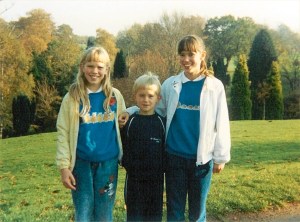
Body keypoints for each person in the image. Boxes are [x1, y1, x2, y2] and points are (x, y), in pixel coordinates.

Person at [119, 35, 231, 222]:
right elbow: (155, 107)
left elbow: (222, 122)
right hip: (174, 159)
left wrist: (221, 157)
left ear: (202, 55)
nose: (186, 59)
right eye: (182, 55)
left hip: (201, 161)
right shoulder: (171, 84)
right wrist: (130, 111)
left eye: (191, 54)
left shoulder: (214, 86)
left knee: (197, 212)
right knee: (174, 211)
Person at [56, 46, 126, 222]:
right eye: (90, 66)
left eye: (100, 67)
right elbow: (63, 132)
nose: (95, 71)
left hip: (108, 164)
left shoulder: (114, 96)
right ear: (82, 67)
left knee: (104, 213)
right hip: (81, 165)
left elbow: (123, 124)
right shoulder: (72, 97)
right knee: (84, 212)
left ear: (107, 70)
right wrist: (64, 168)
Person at [121, 72, 166, 222]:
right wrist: (127, 164)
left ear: (158, 98)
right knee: (135, 217)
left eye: (150, 96)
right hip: (134, 181)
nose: (146, 100)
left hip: (156, 181)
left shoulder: (162, 123)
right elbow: (123, 146)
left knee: (154, 216)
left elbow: (165, 150)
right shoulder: (129, 122)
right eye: (142, 95)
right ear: (135, 97)